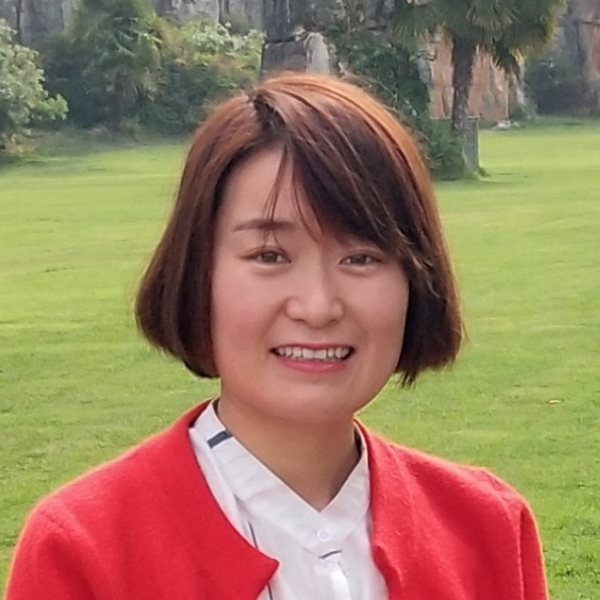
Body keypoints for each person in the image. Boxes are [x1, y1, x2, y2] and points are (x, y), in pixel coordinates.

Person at [4, 72, 548, 600]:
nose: (318, 306)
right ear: (198, 272)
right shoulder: (83, 551)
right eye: (269, 255)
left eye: (362, 257)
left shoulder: (489, 528)